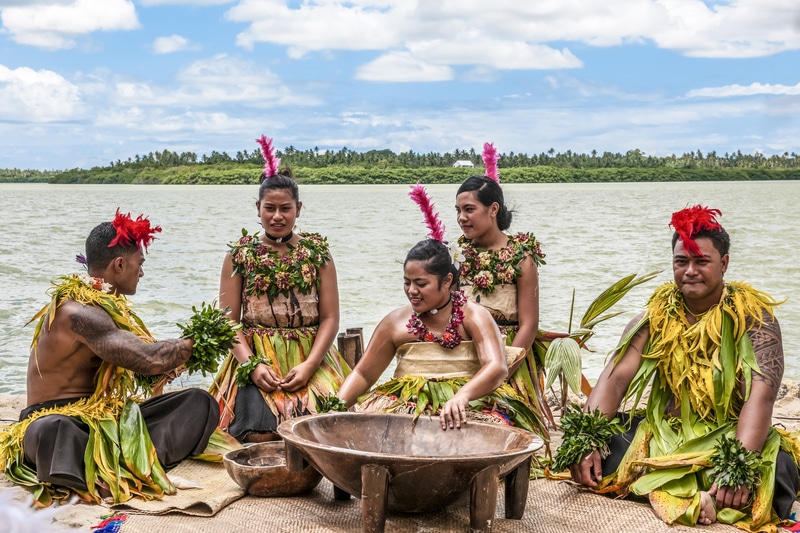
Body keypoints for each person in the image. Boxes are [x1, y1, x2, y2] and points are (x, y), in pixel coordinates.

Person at [554, 205, 800, 530]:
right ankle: (698, 496)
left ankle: (675, 487)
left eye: (702, 261)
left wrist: (737, 467)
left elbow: (761, 397)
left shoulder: (755, 321)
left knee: (775, 472)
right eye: (681, 261)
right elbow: (614, 381)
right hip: (665, 432)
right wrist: (585, 441)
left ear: (724, 263)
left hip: (731, 434)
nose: (690, 271)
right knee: (599, 455)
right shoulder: (653, 318)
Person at [0, 210, 226, 507]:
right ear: (119, 264)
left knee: (198, 402)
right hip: (61, 423)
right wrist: (199, 341)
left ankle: (117, 467)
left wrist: (168, 365)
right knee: (53, 430)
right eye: (140, 264)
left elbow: (142, 361)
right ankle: (116, 467)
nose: (142, 272)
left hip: (106, 422)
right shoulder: (78, 312)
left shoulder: (104, 307)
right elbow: (149, 359)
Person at [337, 184, 540, 432]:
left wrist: (483, 387)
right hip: (411, 396)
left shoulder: (474, 313)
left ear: (447, 281)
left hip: (488, 371)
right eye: (406, 282)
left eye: (420, 284)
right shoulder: (396, 320)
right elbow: (364, 374)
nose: (411, 290)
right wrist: (333, 407)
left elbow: (500, 361)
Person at [210, 135, 350, 443]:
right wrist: (250, 365)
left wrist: (311, 364)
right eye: (269, 208)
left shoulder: (318, 254)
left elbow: (329, 318)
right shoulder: (239, 254)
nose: (277, 216)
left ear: (298, 209)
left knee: (327, 431)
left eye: (285, 208)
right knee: (258, 435)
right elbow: (228, 321)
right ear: (257, 208)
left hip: (311, 355)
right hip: (254, 356)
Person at [454, 143, 548, 436]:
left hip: (510, 357)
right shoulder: (458, 255)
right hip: (465, 351)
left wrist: (502, 371)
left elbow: (529, 324)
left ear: (493, 209)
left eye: (469, 209)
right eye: (458, 210)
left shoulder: (522, 256)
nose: (461, 217)